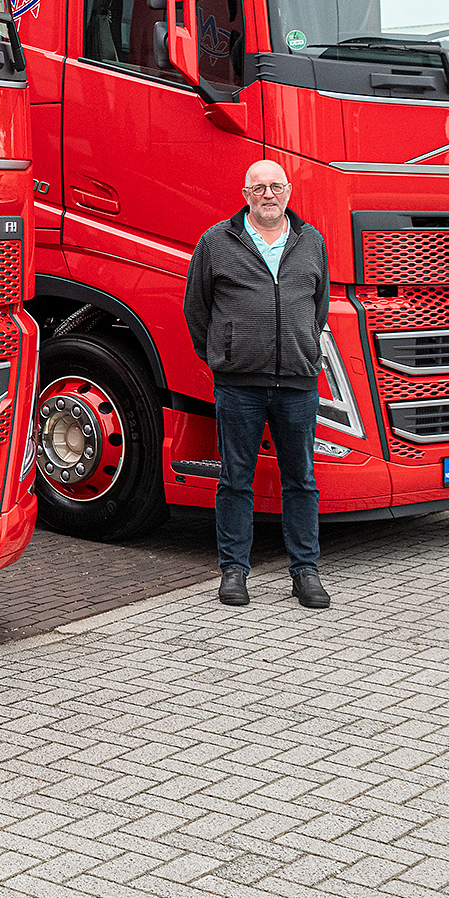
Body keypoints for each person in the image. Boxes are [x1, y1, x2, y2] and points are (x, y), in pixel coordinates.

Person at [183, 158, 332, 610]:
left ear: (288, 192)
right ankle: (234, 571)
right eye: (259, 187)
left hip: (298, 384)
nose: (269, 195)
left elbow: (318, 308)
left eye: (276, 187)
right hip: (239, 385)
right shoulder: (216, 242)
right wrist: (225, 355)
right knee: (235, 479)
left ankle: (305, 572)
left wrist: (300, 347)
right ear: (245, 194)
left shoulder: (311, 241)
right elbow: (196, 309)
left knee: (301, 479)